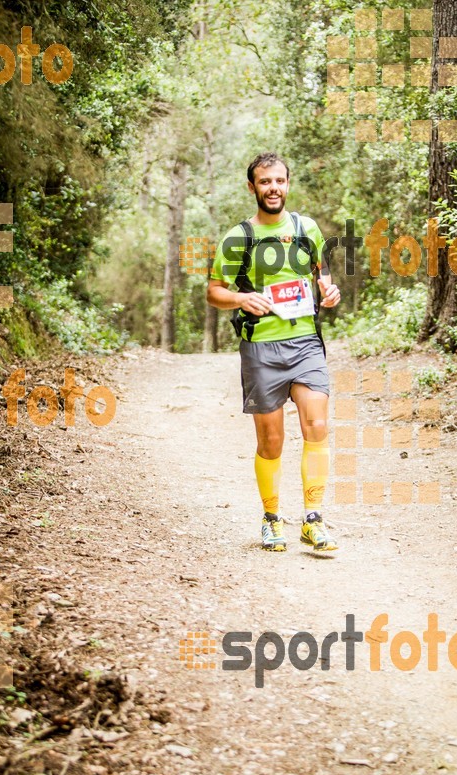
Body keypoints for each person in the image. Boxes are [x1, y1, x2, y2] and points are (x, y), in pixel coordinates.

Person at [206, 152, 341, 552]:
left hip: (306, 343)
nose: (273, 188)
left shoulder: (307, 229)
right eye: (265, 182)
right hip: (261, 348)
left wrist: (329, 293)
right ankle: (271, 519)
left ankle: (313, 519)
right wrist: (243, 299)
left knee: (316, 427)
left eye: (279, 181)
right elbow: (215, 293)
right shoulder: (238, 238)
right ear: (252, 188)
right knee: (272, 442)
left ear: (288, 184)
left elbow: (323, 278)